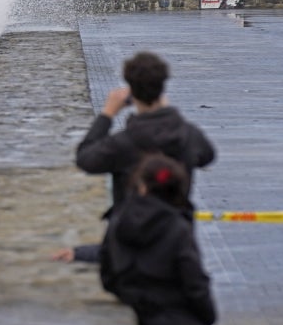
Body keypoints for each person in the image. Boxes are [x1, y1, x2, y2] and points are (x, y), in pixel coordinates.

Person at [105, 154, 216, 325]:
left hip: (142, 313)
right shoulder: (177, 226)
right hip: (179, 321)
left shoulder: (119, 219)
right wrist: (207, 315)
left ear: (141, 185)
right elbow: (194, 280)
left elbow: (108, 272)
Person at [76, 51, 215, 212]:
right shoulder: (188, 135)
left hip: (131, 231)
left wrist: (107, 114)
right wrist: (169, 114)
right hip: (176, 231)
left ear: (131, 93)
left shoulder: (122, 143)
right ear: (162, 87)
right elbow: (207, 156)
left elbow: (85, 159)